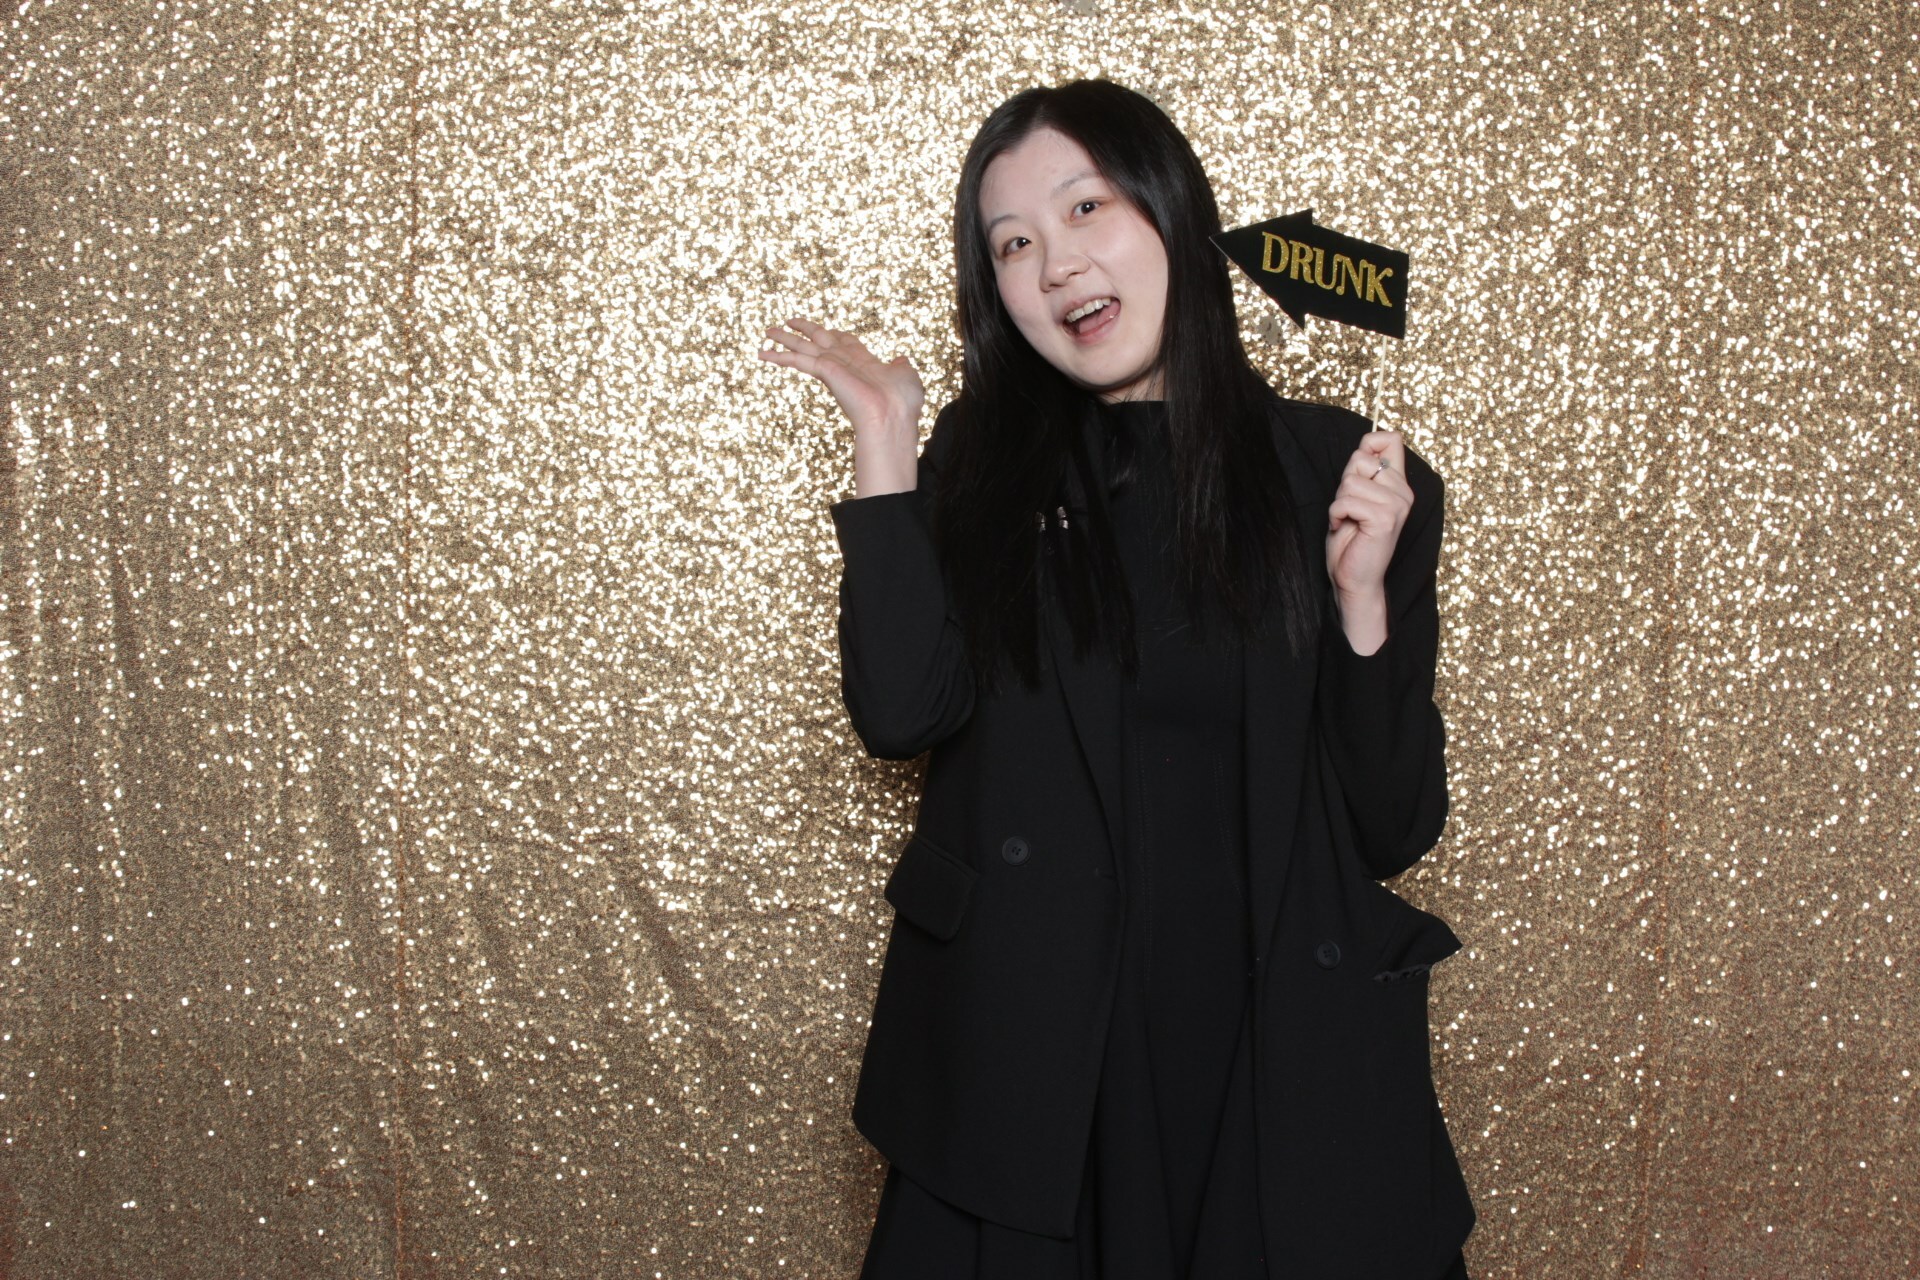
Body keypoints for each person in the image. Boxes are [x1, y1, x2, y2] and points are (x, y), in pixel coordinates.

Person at [760, 78, 1474, 1280]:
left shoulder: (1340, 474)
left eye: (1085, 206)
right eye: (1013, 243)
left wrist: (1359, 599)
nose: (1056, 263)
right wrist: (886, 444)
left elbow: (1392, 826)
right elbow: (902, 712)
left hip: (1271, 1068)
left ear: (1171, 209)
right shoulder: (978, 468)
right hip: (1032, 1066)